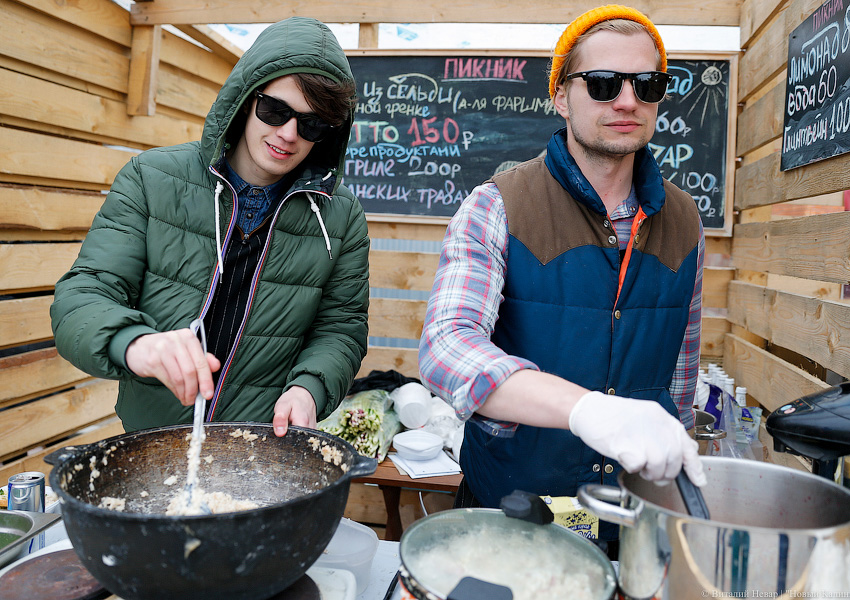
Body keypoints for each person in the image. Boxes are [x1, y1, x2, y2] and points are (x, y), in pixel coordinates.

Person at [418, 4, 707, 537]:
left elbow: (681, 374)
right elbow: (446, 346)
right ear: (560, 96)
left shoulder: (685, 219)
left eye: (648, 84)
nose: (627, 100)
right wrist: (586, 411)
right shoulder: (498, 205)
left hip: (634, 514)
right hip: (514, 505)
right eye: (602, 83)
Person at [51, 17, 369, 436]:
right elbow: (85, 292)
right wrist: (135, 343)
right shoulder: (151, 178)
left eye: (311, 125)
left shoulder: (340, 216)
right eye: (275, 111)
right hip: (152, 442)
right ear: (245, 100)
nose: (288, 134)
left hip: (261, 448)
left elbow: (341, 328)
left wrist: (310, 388)